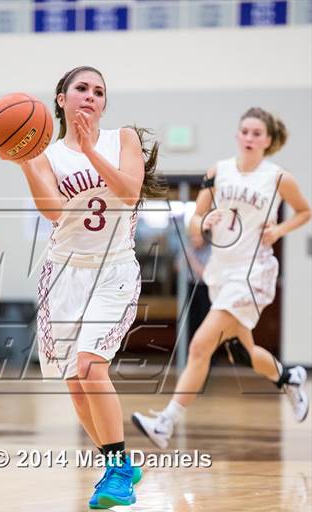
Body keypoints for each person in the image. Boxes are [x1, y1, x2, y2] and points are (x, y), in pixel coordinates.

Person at [15, 66, 159, 508]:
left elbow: (130, 192)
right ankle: (120, 463)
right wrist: (24, 162)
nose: (91, 96)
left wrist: (95, 152)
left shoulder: (123, 140)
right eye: (82, 88)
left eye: (99, 91)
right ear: (61, 99)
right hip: (63, 272)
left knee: (91, 366)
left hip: (113, 270)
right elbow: (54, 212)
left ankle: (116, 469)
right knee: (75, 384)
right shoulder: (47, 152)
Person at [132, 107, 311, 449]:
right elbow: (193, 221)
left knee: (200, 345)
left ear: (268, 141)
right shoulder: (219, 171)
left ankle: (165, 422)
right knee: (243, 354)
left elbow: (305, 211)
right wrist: (205, 221)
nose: (249, 138)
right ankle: (289, 377)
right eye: (245, 131)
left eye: (257, 133)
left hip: (253, 273)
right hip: (221, 271)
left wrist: (281, 229)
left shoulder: (278, 177)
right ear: (237, 134)